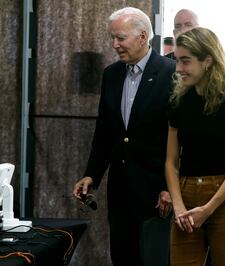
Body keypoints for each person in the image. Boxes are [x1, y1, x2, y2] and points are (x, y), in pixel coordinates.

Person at [73, 7, 175, 266]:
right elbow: (105, 132)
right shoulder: (112, 74)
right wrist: (91, 175)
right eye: (113, 38)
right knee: (122, 257)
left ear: (142, 37)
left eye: (120, 38)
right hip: (120, 192)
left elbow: (179, 139)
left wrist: (169, 188)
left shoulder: (171, 74)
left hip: (156, 192)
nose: (114, 44)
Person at [165, 27, 225, 265]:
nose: (178, 69)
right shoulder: (179, 101)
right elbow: (171, 162)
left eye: (185, 61)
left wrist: (208, 208)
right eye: (177, 60)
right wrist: (179, 207)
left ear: (208, 61)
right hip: (186, 195)